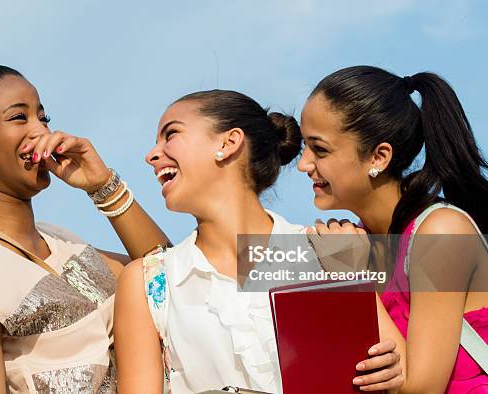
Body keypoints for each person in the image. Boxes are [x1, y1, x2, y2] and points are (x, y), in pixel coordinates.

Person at [114, 90, 404, 393]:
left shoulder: (329, 251)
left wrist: (352, 281)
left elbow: (399, 375)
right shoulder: (149, 281)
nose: (151, 156)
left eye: (170, 134)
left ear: (228, 143)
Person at [0, 64, 170, 393]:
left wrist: (102, 186)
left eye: (43, 118)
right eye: (19, 117)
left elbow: (167, 277)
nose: (40, 131)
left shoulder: (60, 240)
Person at [297, 65, 488, 393]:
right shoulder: (356, 243)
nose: (304, 164)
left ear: (378, 157)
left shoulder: (441, 232)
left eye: (320, 149)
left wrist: (352, 279)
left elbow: (421, 389)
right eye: (304, 147)